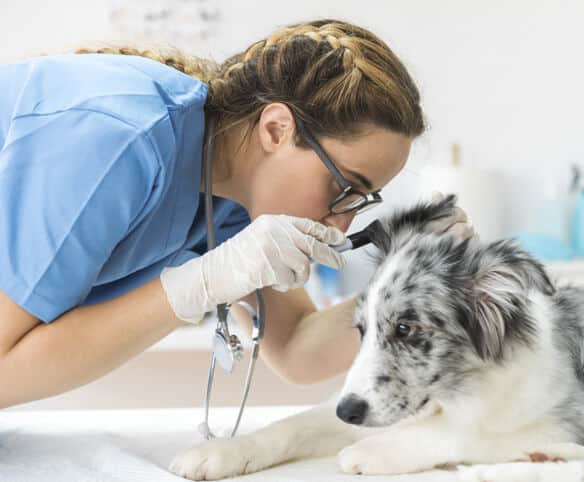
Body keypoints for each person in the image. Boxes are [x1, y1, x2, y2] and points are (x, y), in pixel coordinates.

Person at [0, 19, 470, 409]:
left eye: (361, 201)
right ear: (276, 128)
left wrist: (416, 286)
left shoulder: (236, 201)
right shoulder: (119, 138)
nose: (342, 222)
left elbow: (299, 349)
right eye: (343, 187)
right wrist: (198, 284)